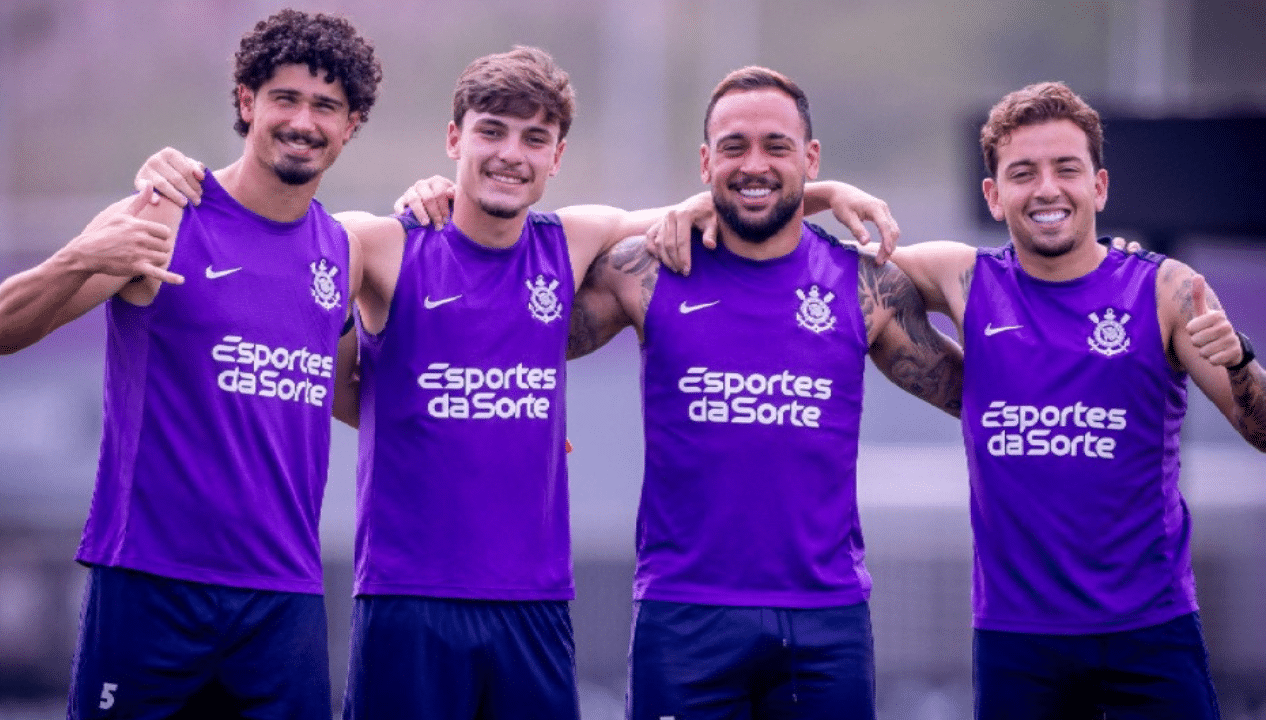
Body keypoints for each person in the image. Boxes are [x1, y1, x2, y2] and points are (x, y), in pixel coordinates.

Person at [137, 47, 899, 720]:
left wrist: (825, 194)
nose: (511, 154)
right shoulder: (381, 244)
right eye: (492, 132)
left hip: (536, 610)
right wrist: (179, 179)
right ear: (454, 140)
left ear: (557, 155)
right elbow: (291, 281)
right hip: (407, 602)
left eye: (534, 138)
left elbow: (734, 201)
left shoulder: (575, 240)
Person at [0, 9, 380, 717]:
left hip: (281, 600)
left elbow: (353, 395)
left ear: (350, 126)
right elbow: (0, 330)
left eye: (326, 106)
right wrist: (80, 256)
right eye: (285, 98)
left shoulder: (342, 253)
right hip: (151, 583)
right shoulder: (167, 214)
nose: (303, 121)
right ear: (247, 101)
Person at [567, 65, 963, 720]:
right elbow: (518, 322)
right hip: (684, 617)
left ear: (811, 157)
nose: (754, 164)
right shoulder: (648, 271)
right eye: (734, 147)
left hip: (825, 623)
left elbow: (987, 401)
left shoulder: (865, 286)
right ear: (705, 162)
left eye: (776, 147)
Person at [883, 81, 1266, 719]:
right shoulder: (965, 277)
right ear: (993, 194)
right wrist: (827, 195)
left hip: (1151, 634)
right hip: (1017, 642)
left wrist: (1241, 361)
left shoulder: (1166, 290)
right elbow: (829, 270)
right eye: (1023, 173)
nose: (1047, 189)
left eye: (1066, 169)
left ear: (1099, 186)